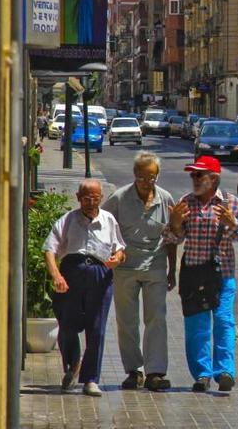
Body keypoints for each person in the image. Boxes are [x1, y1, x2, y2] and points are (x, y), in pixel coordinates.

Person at [164, 156, 238, 393]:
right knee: (197, 325)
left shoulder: (231, 203)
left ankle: (225, 372)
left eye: (199, 175)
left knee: (224, 321)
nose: (194, 179)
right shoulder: (186, 203)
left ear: (213, 179)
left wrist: (233, 224)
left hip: (223, 274)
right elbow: (173, 240)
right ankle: (202, 375)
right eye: (193, 175)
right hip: (194, 274)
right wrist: (174, 225)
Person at [43, 179, 126, 397]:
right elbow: (49, 249)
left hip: (100, 276)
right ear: (78, 198)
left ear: (101, 198)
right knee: (68, 326)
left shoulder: (109, 220)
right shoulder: (68, 220)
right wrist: (57, 275)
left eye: (95, 198)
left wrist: (117, 258)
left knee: (96, 329)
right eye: (86, 198)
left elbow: (120, 249)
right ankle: (72, 365)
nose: (91, 202)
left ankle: (91, 379)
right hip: (72, 274)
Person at [102, 152, 176, 392]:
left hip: (155, 266)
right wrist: (111, 255)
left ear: (157, 176)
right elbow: (103, 226)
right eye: (142, 177)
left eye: (152, 177)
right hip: (125, 268)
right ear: (135, 176)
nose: (147, 182)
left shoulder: (165, 199)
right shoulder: (119, 198)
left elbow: (172, 236)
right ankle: (134, 371)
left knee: (157, 319)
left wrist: (172, 270)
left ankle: (155, 371)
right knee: (127, 321)